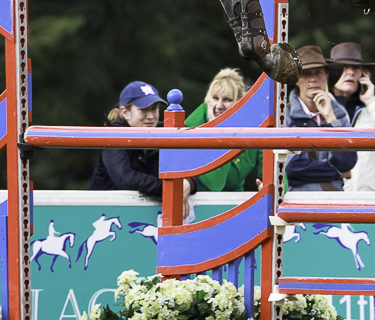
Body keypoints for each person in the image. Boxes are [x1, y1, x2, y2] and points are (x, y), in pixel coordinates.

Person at [89, 82, 195, 213]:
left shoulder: (166, 132)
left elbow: (192, 168)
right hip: (99, 215)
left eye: (154, 108)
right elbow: (125, 178)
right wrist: (172, 189)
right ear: (125, 112)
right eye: (143, 109)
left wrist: (189, 183)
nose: (150, 116)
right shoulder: (112, 135)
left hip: (138, 218)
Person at [328, 42, 375, 192]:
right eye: (343, 67)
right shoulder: (319, 106)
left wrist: (371, 100)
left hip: (369, 200)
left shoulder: (373, 107)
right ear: (331, 73)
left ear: (363, 75)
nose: (350, 72)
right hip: (329, 199)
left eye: (356, 68)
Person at [285, 46, 356, 191]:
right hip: (297, 201)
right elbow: (290, 168)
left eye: (318, 73)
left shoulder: (339, 114)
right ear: (296, 79)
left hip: (334, 201)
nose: (313, 79)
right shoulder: (284, 114)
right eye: (306, 74)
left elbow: (348, 162)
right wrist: (336, 172)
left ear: (327, 76)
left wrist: (330, 118)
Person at [184, 68, 262, 192]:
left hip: (235, 199)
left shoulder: (253, 127)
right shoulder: (192, 126)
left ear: (240, 102)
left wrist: (267, 184)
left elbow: (272, 171)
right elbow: (215, 185)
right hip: (200, 200)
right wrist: (216, 129)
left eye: (227, 100)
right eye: (215, 98)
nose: (219, 106)